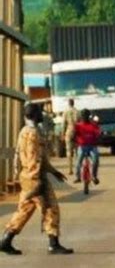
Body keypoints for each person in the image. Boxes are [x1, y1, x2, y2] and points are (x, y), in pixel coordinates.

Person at [0, 103, 74, 255]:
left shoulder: (24, 131)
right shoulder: (33, 133)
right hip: (35, 177)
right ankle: (53, 244)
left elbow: (34, 157)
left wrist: (53, 171)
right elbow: (34, 159)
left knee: (24, 210)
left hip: (27, 177)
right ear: (34, 115)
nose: (42, 114)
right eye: (40, 112)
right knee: (50, 208)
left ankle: (6, 240)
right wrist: (38, 182)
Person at [73, 109, 101, 185]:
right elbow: (74, 135)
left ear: (89, 116)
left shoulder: (94, 125)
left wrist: (99, 136)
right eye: (83, 116)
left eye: (86, 116)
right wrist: (74, 139)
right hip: (82, 146)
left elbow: (98, 134)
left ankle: (94, 176)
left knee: (95, 160)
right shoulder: (78, 126)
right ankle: (78, 177)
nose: (84, 117)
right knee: (78, 162)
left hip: (92, 146)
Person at [62, 98, 78, 175]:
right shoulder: (77, 112)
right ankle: (78, 167)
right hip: (77, 131)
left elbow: (63, 124)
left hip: (69, 131)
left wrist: (63, 133)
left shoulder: (65, 111)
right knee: (77, 151)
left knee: (69, 151)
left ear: (69, 103)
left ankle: (70, 169)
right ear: (73, 103)